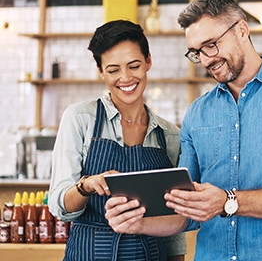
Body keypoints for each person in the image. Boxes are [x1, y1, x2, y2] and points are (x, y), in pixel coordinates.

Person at [105, 0, 262, 260]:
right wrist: (139, 223)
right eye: (196, 52)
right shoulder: (197, 114)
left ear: (242, 30)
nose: (205, 60)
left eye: (211, 45)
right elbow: (187, 209)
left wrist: (228, 201)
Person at [48, 20, 187, 261]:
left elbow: (174, 227)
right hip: (89, 253)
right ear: (100, 71)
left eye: (134, 66)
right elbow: (60, 206)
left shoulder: (168, 135)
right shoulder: (80, 119)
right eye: (113, 70)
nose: (125, 78)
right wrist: (87, 185)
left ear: (148, 61)